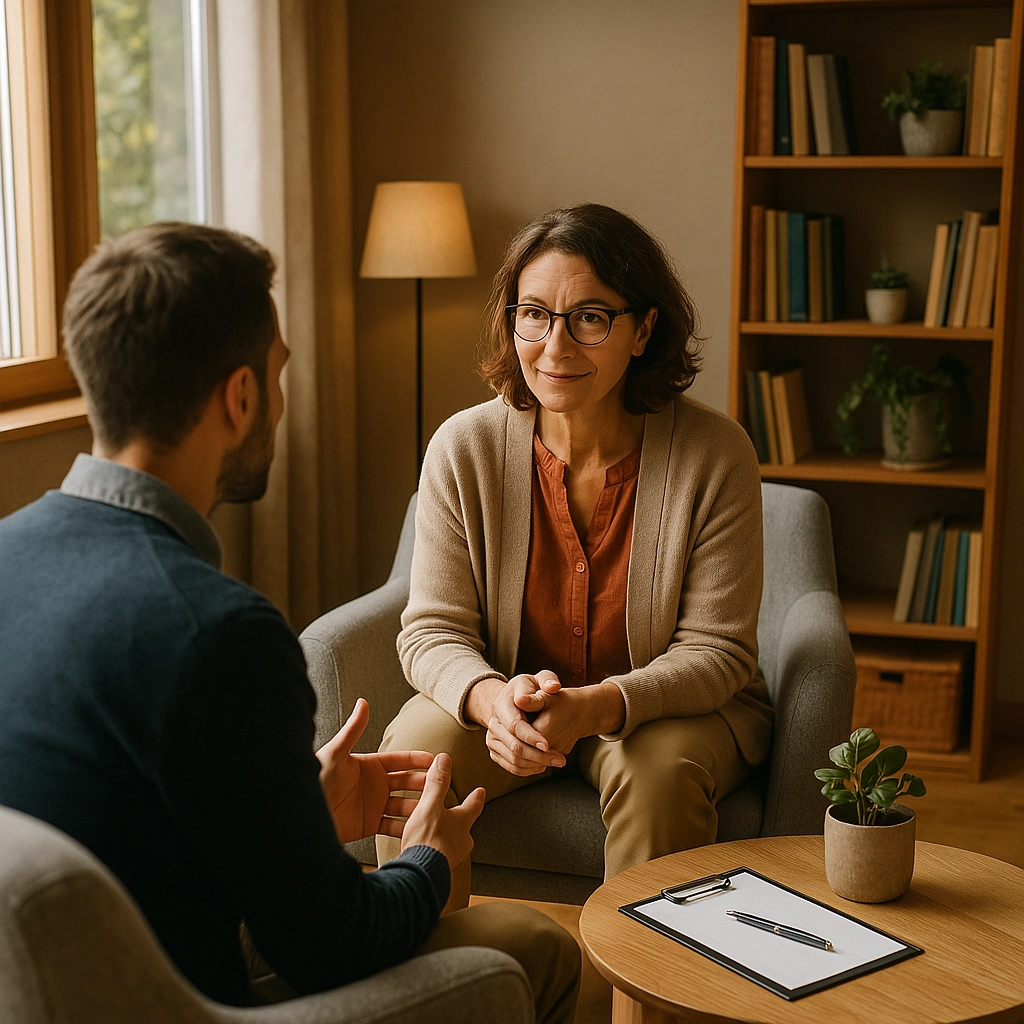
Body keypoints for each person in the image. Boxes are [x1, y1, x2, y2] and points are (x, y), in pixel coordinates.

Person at [0, 222, 580, 1019]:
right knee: (536, 944)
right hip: (192, 1006)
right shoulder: (217, 632)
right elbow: (333, 944)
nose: (277, 400)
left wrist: (295, 811)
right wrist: (429, 861)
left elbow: (120, 817)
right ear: (239, 398)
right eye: (276, 375)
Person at [378, 203, 774, 907]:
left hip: (660, 712)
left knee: (661, 779)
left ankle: (641, 1008)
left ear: (643, 330)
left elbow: (718, 652)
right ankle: (428, 983)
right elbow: (431, 629)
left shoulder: (717, 454)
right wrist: (490, 698)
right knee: (415, 755)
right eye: (533, 314)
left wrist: (596, 707)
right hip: (514, 701)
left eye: (589, 317)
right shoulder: (462, 448)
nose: (554, 347)